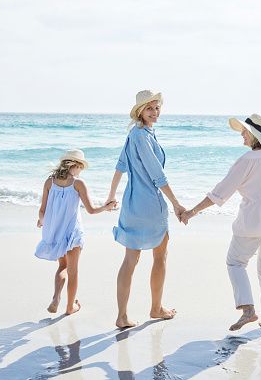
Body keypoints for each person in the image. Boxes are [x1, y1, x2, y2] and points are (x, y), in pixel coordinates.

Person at [181, 114, 261, 332]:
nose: (241, 135)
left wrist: (191, 212)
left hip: (253, 223)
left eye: (244, 132)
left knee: (235, 263)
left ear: (254, 135)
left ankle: (248, 310)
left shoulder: (246, 161)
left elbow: (220, 193)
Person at [106, 90, 186, 329]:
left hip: (131, 204)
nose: (154, 112)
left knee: (131, 259)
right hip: (149, 204)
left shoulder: (135, 134)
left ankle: (122, 316)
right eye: (149, 108)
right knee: (160, 255)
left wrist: (112, 196)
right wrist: (176, 203)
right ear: (140, 111)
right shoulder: (143, 136)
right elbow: (157, 175)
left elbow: (120, 166)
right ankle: (156, 308)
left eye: (157, 107)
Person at [35, 149, 116, 315]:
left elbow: (42, 211)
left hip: (55, 232)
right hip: (73, 232)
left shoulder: (49, 182)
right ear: (76, 165)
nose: (81, 171)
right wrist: (106, 208)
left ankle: (56, 298)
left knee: (62, 266)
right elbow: (91, 210)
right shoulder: (78, 183)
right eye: (81, 167)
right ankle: (70, 307)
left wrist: (42, 222)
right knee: (73, 270)